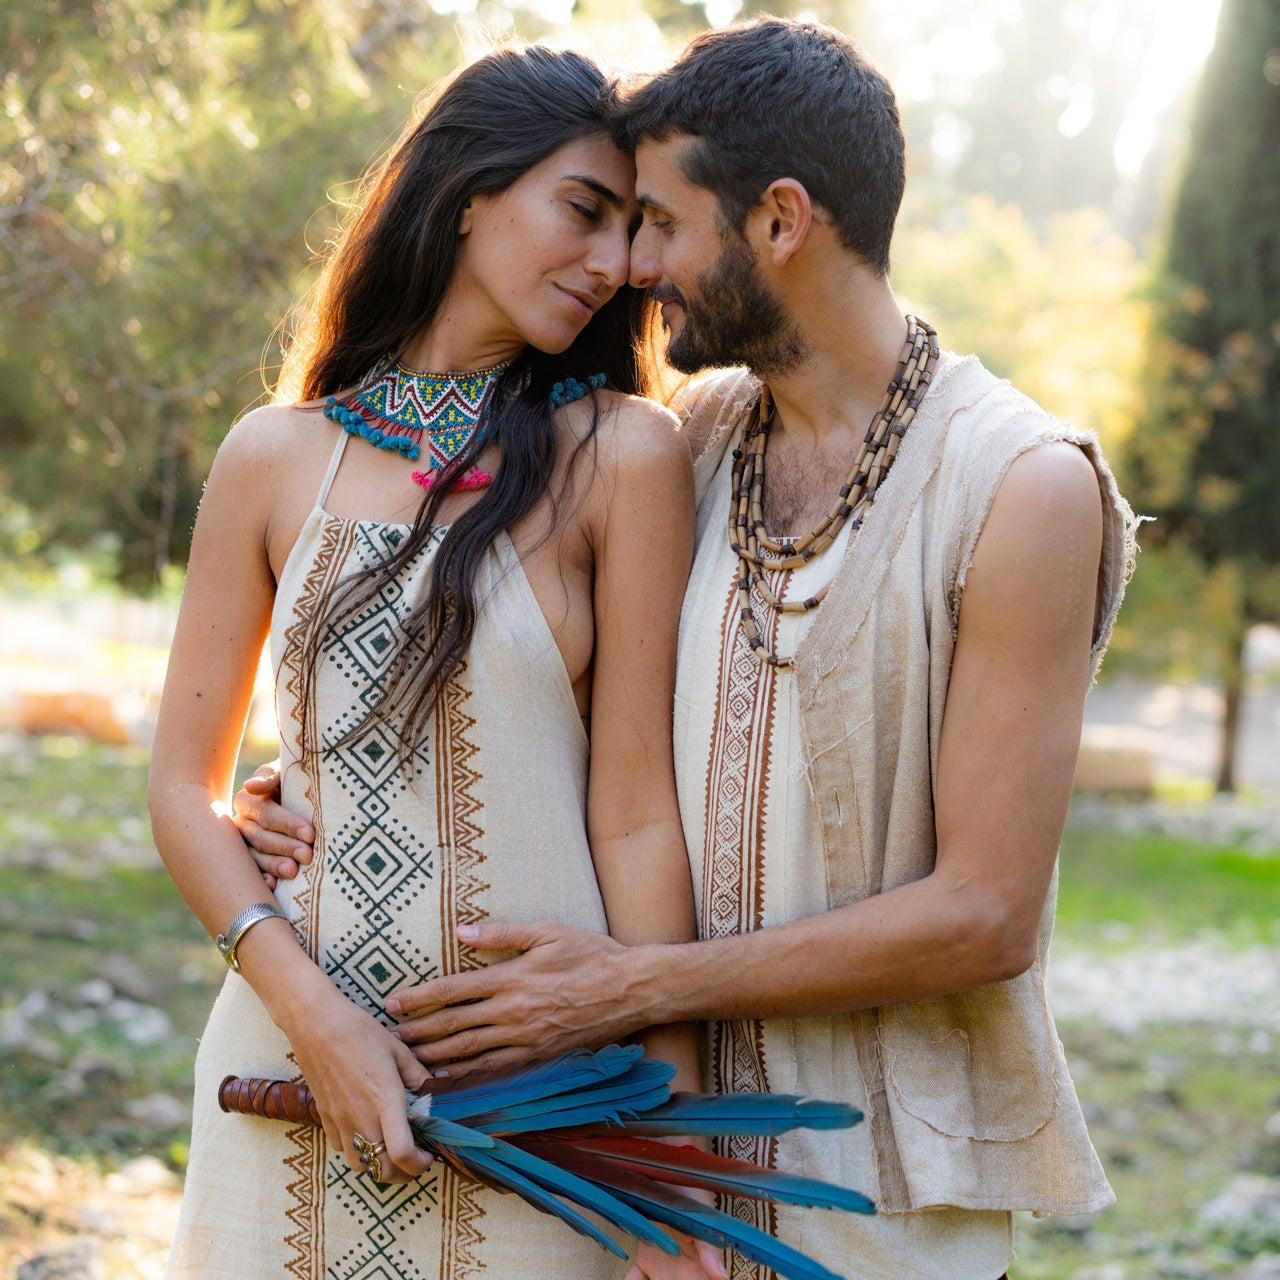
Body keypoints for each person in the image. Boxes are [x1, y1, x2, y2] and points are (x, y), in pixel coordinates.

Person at [237, 18, 1138, 1280]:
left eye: (658, 222)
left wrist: (629, 985)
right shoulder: (693, 437)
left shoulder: (1017, 484)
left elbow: (985, 916)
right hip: (640, 1171)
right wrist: (300, 791)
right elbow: (539, 686)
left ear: (778, 220)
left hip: (873, 1188)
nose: (631, 266)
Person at [149, 44, 727, 1280]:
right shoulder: (269, 454)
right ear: (469, 188)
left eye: (633, 232)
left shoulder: (621, 455)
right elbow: (178, 792)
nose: (614, 263)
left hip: (542, 1108)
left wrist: (669, 1160)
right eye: (582, 211)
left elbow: (633, 814)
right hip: (284, 1085)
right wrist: (320, 1023)